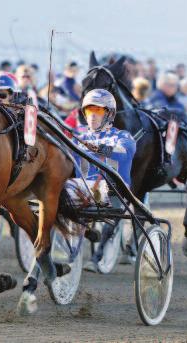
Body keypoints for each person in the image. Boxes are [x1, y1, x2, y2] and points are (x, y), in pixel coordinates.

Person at [65, 89, 136, 273]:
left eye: (98, 111)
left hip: (112, 192)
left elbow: (125, 151)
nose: (93, 116)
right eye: (89, 111)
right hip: (82, 189)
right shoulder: (78, 135)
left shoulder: (123, 136)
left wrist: (99, 148)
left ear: (110, 114)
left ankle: (76, 249)